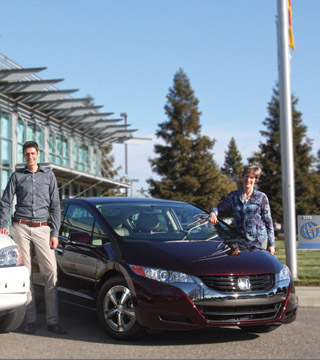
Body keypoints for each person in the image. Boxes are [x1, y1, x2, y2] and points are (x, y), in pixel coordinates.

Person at [0, 141, 66, 334]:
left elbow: (55, 206)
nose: (30, 157)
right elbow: (5, 202)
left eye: (33, 153)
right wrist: (4, 226)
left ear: (38, 154)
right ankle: (30, 320)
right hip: (20, 227)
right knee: (25, 273)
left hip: (42, 229)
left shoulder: (49, 176)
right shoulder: (16, 176)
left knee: (51, 272)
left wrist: (55, 233)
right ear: (24, 156)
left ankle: (52, 321)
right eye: (27, 154)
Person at [209, 165, 275, 255]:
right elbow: (219, 208)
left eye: (252, 177)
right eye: (246, 176)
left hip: (259, 242)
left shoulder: (262, 197)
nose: (248, 180)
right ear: (242, 177)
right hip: (240, 242)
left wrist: (271, 244)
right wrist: (213, 213)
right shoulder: (234, 196)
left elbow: (268, 222)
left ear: (256, 179)